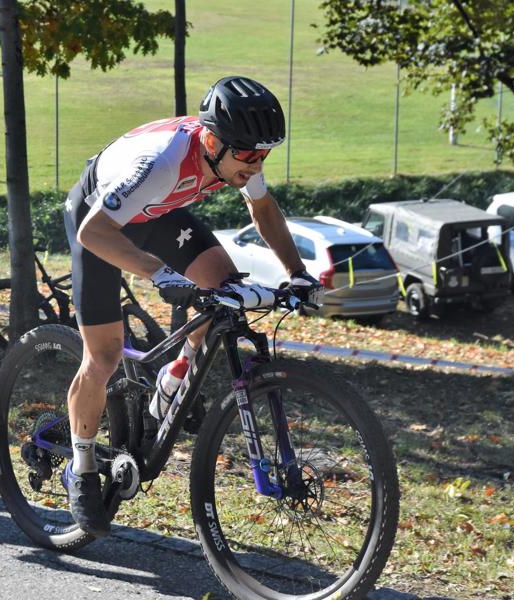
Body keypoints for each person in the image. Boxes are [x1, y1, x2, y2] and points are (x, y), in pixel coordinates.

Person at [62, 76, 324, 536]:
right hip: (100, 221)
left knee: (224, 289)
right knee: (103, 356)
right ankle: (81, 465)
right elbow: (92, 233)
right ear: (211, 140)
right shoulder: (162, 162)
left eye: (264, 155)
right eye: (248, 155)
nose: (256, 164)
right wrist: (159, 273)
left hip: (157, 213)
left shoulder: (238, 150)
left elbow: (262, 209)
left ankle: (174, 376)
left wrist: (296, 272)